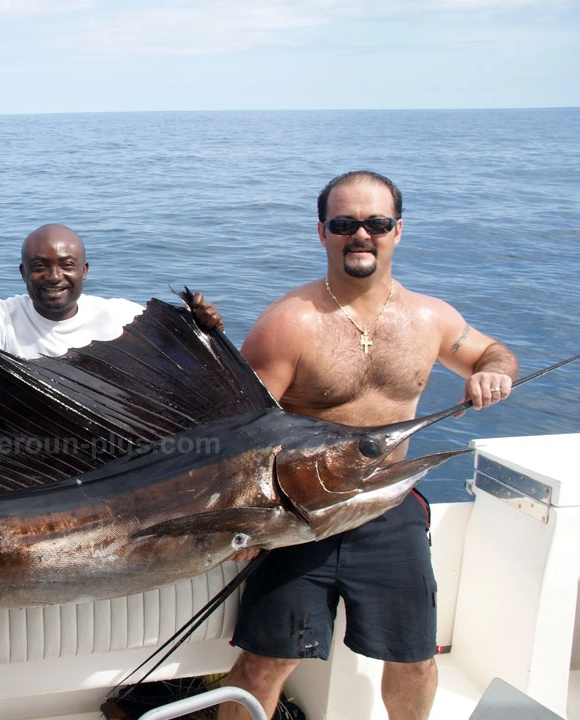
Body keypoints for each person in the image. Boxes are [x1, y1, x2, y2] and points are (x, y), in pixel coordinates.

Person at [215, 171, 518, 720]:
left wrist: (493, 373)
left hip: (388, 509)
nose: (361, 234)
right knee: (265, 666)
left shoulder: (431, 318)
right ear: (322, 232)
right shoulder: (289, 323)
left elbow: (492, 353)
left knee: (416, 659)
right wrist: (253, 521)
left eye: (376, 223)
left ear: (397, 231)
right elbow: (240, 432)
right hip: (299, 517)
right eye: (344, 223)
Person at [0, 222, 222, 356]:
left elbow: (191, 355)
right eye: (40, 267)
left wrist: (207, 327)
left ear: (84, 271)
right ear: (23, 273)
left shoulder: (123, 316)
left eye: (66, 265)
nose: (54, 277)